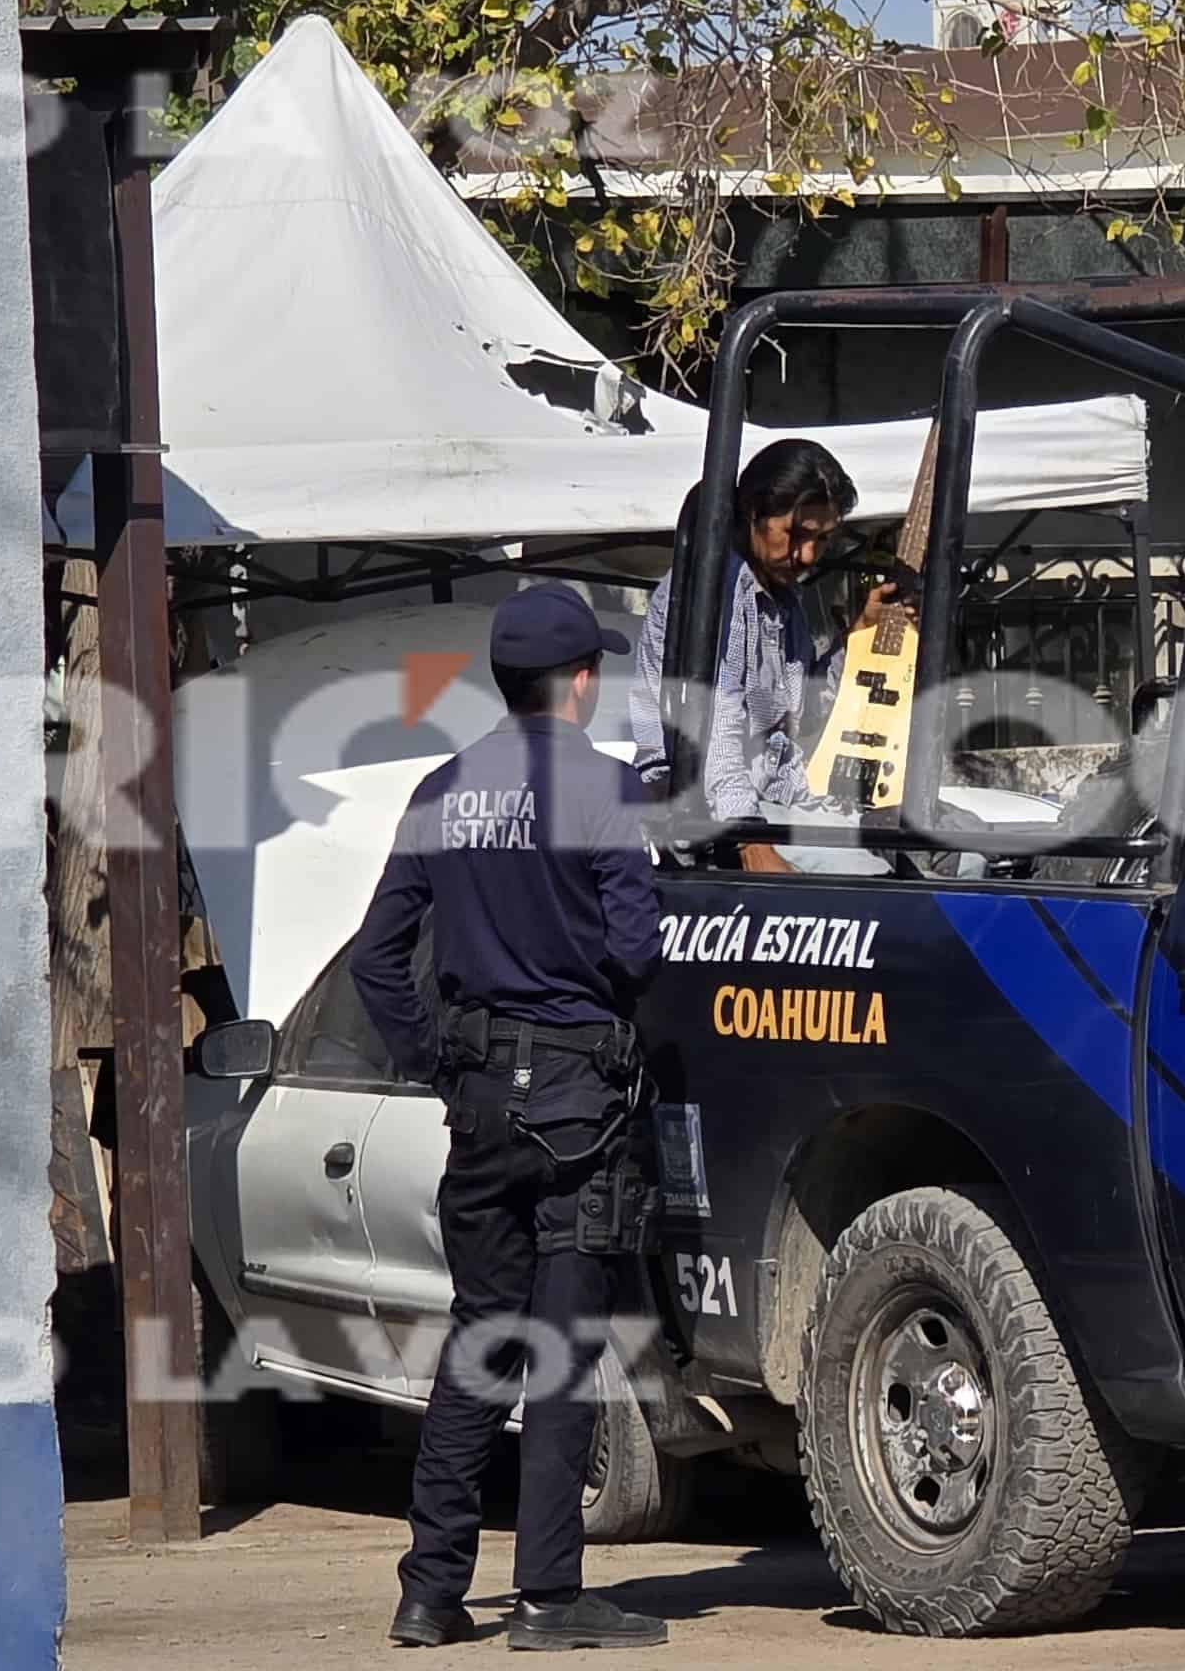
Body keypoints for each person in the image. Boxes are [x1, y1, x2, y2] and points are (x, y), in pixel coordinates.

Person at [350, 582, 669, 1652]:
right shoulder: (604, 787)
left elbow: (377, 959)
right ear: (579, 681)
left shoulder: (442, 788)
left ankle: (429, 1594)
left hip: (482, 1106)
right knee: (563, 1353)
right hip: (580, 1108)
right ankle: (548, 1599)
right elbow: (636, 952)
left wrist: (438, 1065)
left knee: (482, 1339)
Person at [625, 437, 901, 871]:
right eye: (797, 534)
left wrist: (858, 636)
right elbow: (712, 727)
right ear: (754, 512)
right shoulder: (716, 592)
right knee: (876, 879)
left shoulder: (785, 604)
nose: (807, 555)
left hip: (782, 801)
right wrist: (748, 839)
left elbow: (806, 712)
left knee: (959, 859)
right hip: (714, 816)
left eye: (823, 540)